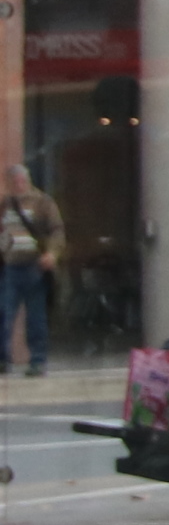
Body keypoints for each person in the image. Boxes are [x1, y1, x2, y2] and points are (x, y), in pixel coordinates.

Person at [0, 161, 65, 377]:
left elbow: (56, 230)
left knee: (35, 317)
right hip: (11, 267)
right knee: (4, 313)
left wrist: (52, 253)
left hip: (34, 267)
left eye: (22, 181)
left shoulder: (42, 202)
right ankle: (2, 359)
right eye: (15, 181)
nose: (19, 185)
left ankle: (37, 360)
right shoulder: (5, 204)